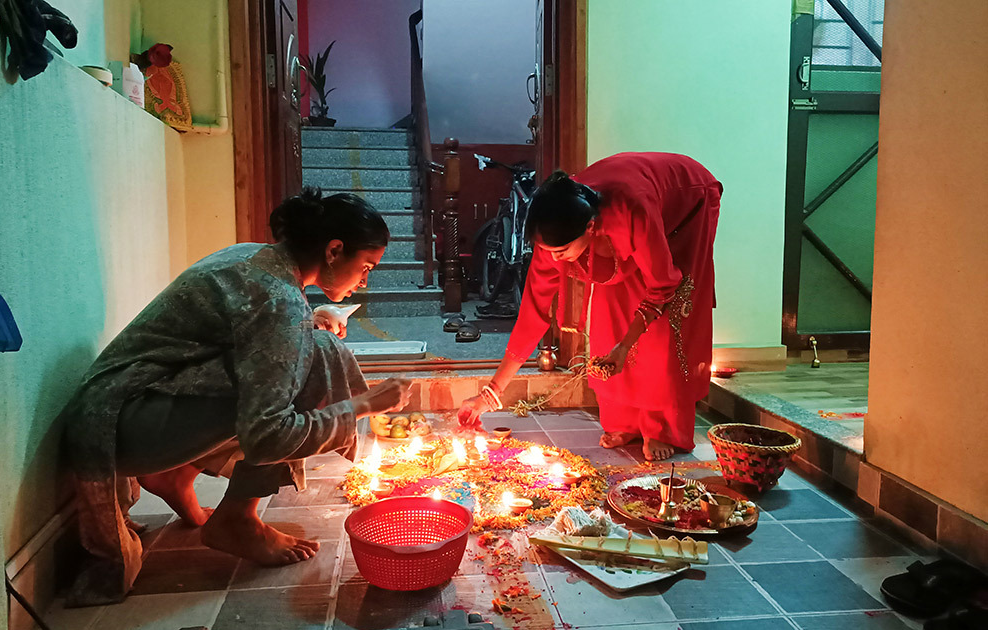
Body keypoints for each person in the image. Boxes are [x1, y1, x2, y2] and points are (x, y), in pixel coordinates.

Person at [62, 189, 412, 606]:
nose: (364, 281)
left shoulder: (256, 258)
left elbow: (234, 338)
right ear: (334, 249)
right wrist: (363, 405)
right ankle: (238, 521)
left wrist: (303, 326)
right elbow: (267, 435)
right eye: (366, 266)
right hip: (122, 428)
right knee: (319, 358)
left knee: (308, 346)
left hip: (114, 410)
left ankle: (175, 476)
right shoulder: (277, 297)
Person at [458, 152, 721, 462]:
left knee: (665, 315)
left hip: (685, 201)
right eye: (547, 251)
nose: (554, 259)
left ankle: (661, 427)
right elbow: (534, 312)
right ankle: (626, 422)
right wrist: (491, 393)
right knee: (610, 308)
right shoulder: (555, 234)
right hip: (630, 201)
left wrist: (624, 348)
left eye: (562, 251)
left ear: (592, 227)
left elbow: (663, 284)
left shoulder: (630, 213)